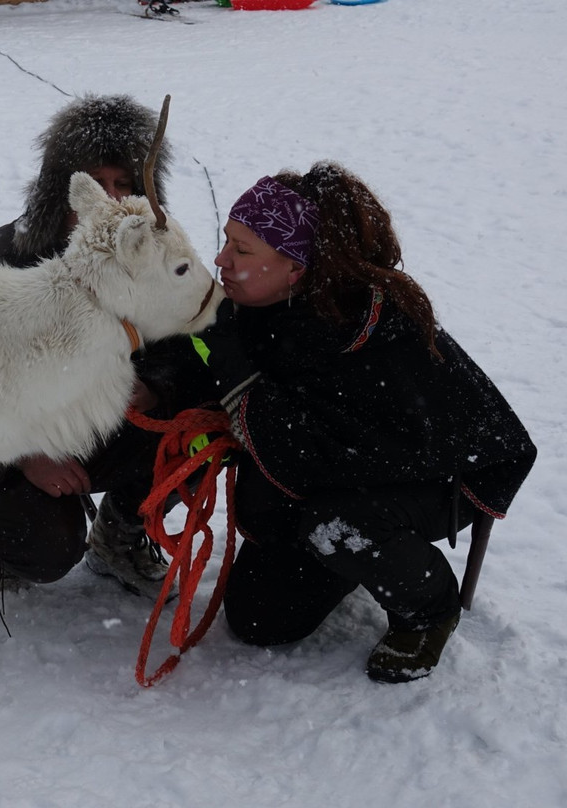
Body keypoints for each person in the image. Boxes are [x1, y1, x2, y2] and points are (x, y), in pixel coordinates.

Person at [192, 162, 536, 682]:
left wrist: (237, 374)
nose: (221, 260)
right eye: (226, 242)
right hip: (357, 463)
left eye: (242, 250)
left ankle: (428, 608)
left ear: (298, 269)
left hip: (444, 470)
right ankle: (342, 550)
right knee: (262, 619)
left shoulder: (359, 329)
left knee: (343, 525)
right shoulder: (266, 303)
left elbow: (300, 453)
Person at [0, 94, 204, 601]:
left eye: (124, 185)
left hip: (97, 428)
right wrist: (25, 457)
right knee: (40, 547)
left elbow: (193, 352)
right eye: (95, 184)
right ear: (59, 189)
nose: (108, 200)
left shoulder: (156, 265)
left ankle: (121, 532)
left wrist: (156, 389)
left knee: (200, 432)